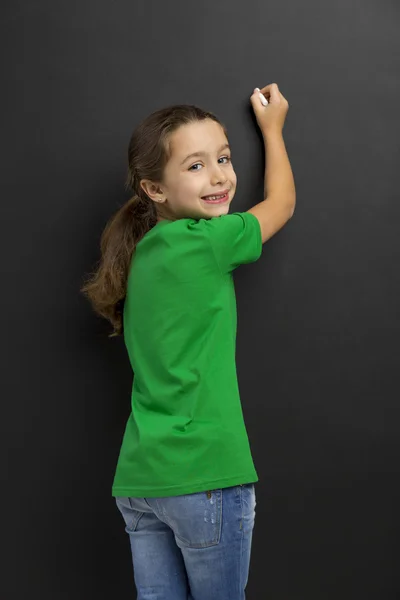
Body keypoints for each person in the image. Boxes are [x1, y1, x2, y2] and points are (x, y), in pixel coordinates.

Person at [81, 82, 296, 600]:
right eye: (195, 166)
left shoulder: (141, 257)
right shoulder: (205, 243)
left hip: (140, 480)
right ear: (154, 189)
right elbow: (281, 204)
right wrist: (272, 129)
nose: (220, 176)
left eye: (223, 158)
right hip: (204, 475)